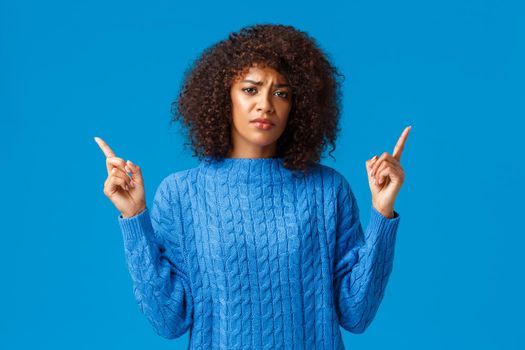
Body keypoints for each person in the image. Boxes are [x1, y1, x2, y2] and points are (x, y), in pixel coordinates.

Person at [95, 23, 410, 349]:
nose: (266, 104)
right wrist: (135, 218)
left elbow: (356, 314)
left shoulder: (327, 190)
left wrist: (382, 213)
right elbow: (168, 321)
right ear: (222, 97)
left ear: (297, 106)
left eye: (281, 93)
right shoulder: (181, 194)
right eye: (250, 89)